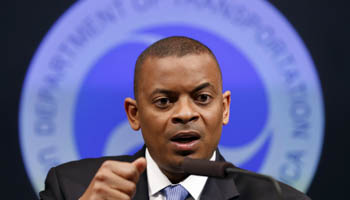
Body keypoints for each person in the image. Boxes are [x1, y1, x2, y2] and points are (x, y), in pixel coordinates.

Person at [40, 36, 311, 200]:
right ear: (134, 114)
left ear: (225, 108)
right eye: (164, 102)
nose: (184, 114)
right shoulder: (71, 187)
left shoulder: (277, 197)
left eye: (202, 98)